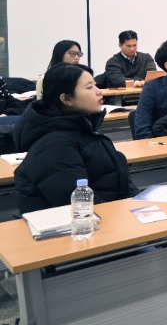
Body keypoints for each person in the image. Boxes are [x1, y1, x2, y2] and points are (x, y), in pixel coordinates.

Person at [13, 63, 138, 214]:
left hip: (111, 214)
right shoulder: (55, 144)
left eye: (95, 85)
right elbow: (78, 205)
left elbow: (121, 184)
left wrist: (140, 204)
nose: (99, 91)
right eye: (89, 87)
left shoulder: (84, 129)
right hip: (83, 223)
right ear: (67, 99)